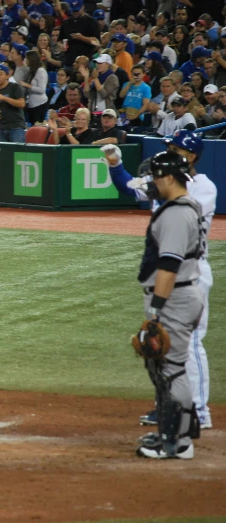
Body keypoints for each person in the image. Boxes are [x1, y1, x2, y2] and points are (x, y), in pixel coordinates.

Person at [104, 130, 216, 433]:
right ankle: (170, 404)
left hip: (189, 272)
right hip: (168, 273)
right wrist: (114, 163)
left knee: (189, 345)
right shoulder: (164, 182)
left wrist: (151, 183)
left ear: (191, 156)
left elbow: (171, 196)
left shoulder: (203, 188)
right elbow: (129, 186)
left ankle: (199, 410)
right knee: (164, 350)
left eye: (175, 148)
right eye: (168, 147)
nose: (169, 151)